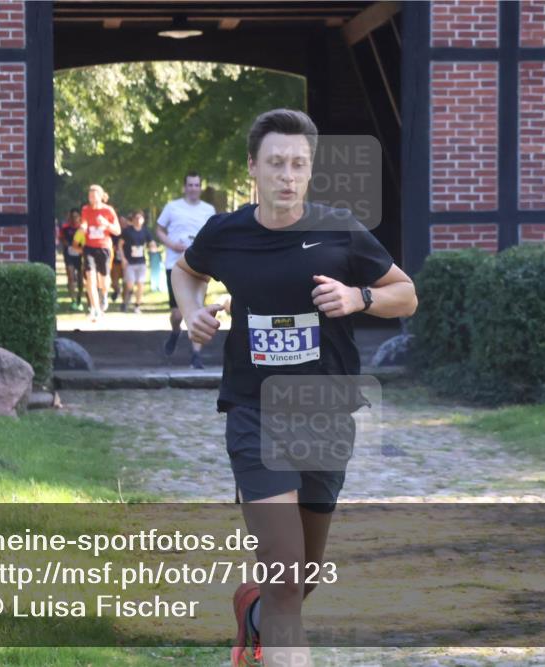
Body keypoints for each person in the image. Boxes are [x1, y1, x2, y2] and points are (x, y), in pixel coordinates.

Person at [171, 109, 417, 667]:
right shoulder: (226, 233)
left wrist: (361, 299)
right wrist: (192, 314)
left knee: (300, 577)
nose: (287, 175)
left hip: (327, 412)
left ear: (311, 171)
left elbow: (406, 292)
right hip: (256, 412)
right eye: (276, 163)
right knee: (284, 573)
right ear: (253, 168)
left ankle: (252, 615)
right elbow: (186, 271)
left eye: (298, 165)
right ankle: (270, 620)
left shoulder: (340, 231)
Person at [156, 172, 216, 369]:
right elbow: (159, 229)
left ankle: (196, 357)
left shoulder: (209, 210)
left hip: (199, 266)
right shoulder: (172, 207)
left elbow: (215, 234)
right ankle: (175, 331)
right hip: (174, 265)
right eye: (190, 185)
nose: (193, 188)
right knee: (177, 314)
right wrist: (172, 244)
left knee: (197, 310)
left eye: (197, 185)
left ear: (201, 187)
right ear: (184, 187)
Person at [80, 184, 122, 321]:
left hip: (104, 247)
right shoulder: (85, 209)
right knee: (90, 278)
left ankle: (104, 294)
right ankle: (95, 308)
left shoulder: (108, 210)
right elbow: (84, 223)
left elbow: (117, 231)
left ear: (100, 196)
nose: (91, 198)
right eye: (89, 196)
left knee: (103, 281)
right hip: (89, 247)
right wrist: (83, 227)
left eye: (94, 195)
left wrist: (106, 224)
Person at [118, 211, 152, 313]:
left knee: (141, 284)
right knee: (129, 284)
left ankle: (137, 306)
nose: (138, 220)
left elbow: (151, 242)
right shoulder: (127, 231)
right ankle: (125, 301)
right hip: (129, 262)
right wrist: (123, 258)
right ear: (132, 220)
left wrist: (153, 247)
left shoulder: (145, 231)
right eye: (136, 218)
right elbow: (120, 244)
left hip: (141, 262)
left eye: (140, 218)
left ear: (143, 220)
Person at [58, 208, 85, 312]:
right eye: (72, 217)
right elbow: (61, 237)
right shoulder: (65, 228)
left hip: (80, 255)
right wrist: (65, 243)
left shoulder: (82, 229)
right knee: (70, 276)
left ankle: (79, 299)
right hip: (69, 254)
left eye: (76, 216)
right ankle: (73, 300)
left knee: (80, 279)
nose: (74, 219)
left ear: (80, 217)